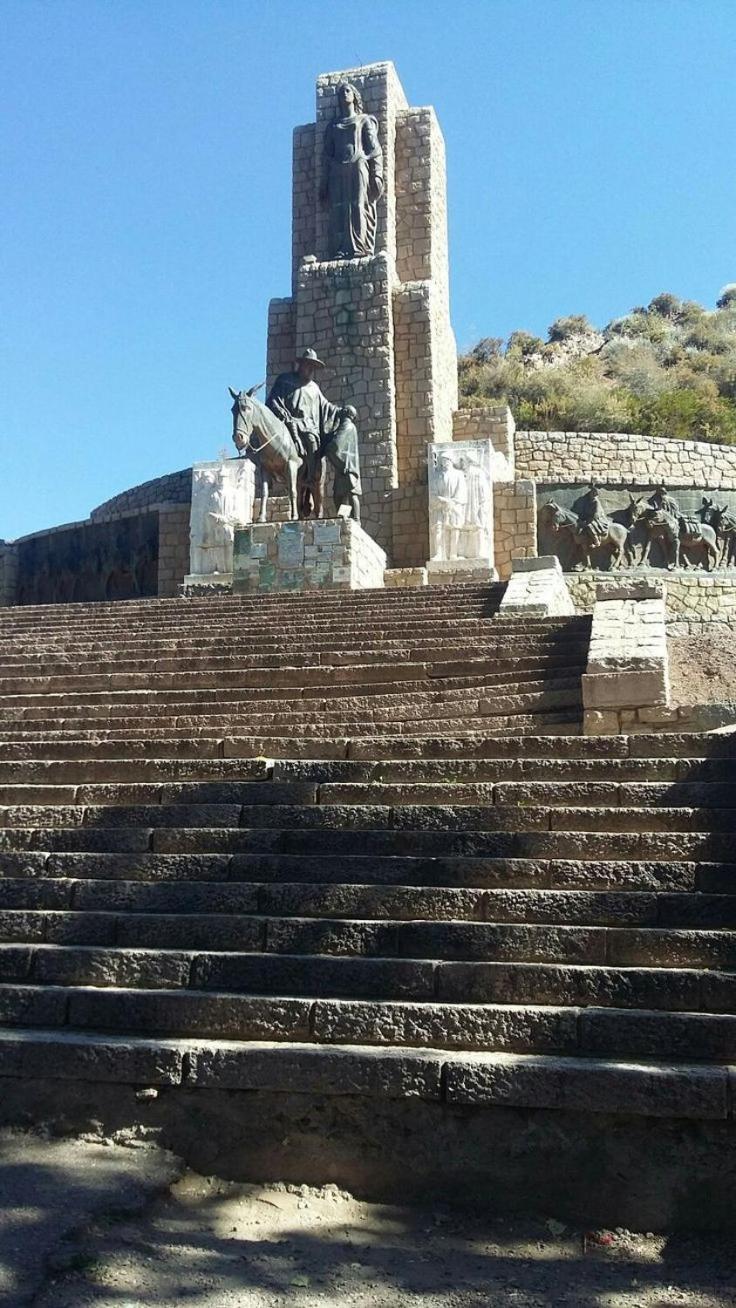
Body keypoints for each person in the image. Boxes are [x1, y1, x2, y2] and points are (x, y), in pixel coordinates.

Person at [320, 81, 384, 258]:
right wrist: (324, 180)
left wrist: (377, 174)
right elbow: (326, 155)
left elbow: (375, 150)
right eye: (341, 93)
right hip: (337, 171)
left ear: (355, 96)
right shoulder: (333, 126)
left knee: (357, 205)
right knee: (338, 209)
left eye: (348, 91)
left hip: (358, 166)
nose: (344, 94)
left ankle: (359, 247)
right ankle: (339, 249)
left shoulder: (363, 121)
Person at [266, 349, 340, 489]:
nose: (311, 370)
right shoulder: (285, 380)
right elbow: (274, 400)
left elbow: (326, 406)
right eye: (309, 366)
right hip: (286, 421)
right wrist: (284, 415)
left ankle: (310, 477)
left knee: (312, 442)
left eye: (314, 367)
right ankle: (267, 473)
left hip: (307, 426)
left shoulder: (314, 388)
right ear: (301, 365)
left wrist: (340, 411)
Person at [323, 405, 362, 521]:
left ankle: (356, 519)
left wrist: (328, 446)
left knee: (350, 493)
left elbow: (336, 444)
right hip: (343, 467)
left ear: (346, 413)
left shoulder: (347, 425)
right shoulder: (350, 426)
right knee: (340, 495)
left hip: (347, 466)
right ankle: (344, 517)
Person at [431, 448, 467, 560]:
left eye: (446, 460)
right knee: (438, 528)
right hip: (439, 505)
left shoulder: (458, 474)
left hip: (454, 505)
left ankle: (453, 554)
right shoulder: (436, 476)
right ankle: (439, 554)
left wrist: (453, 502)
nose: (444, 463)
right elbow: (432, 492)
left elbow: (462, 492)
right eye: (442, 460)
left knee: (454, 529)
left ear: (451, 461)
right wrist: (440, 500)